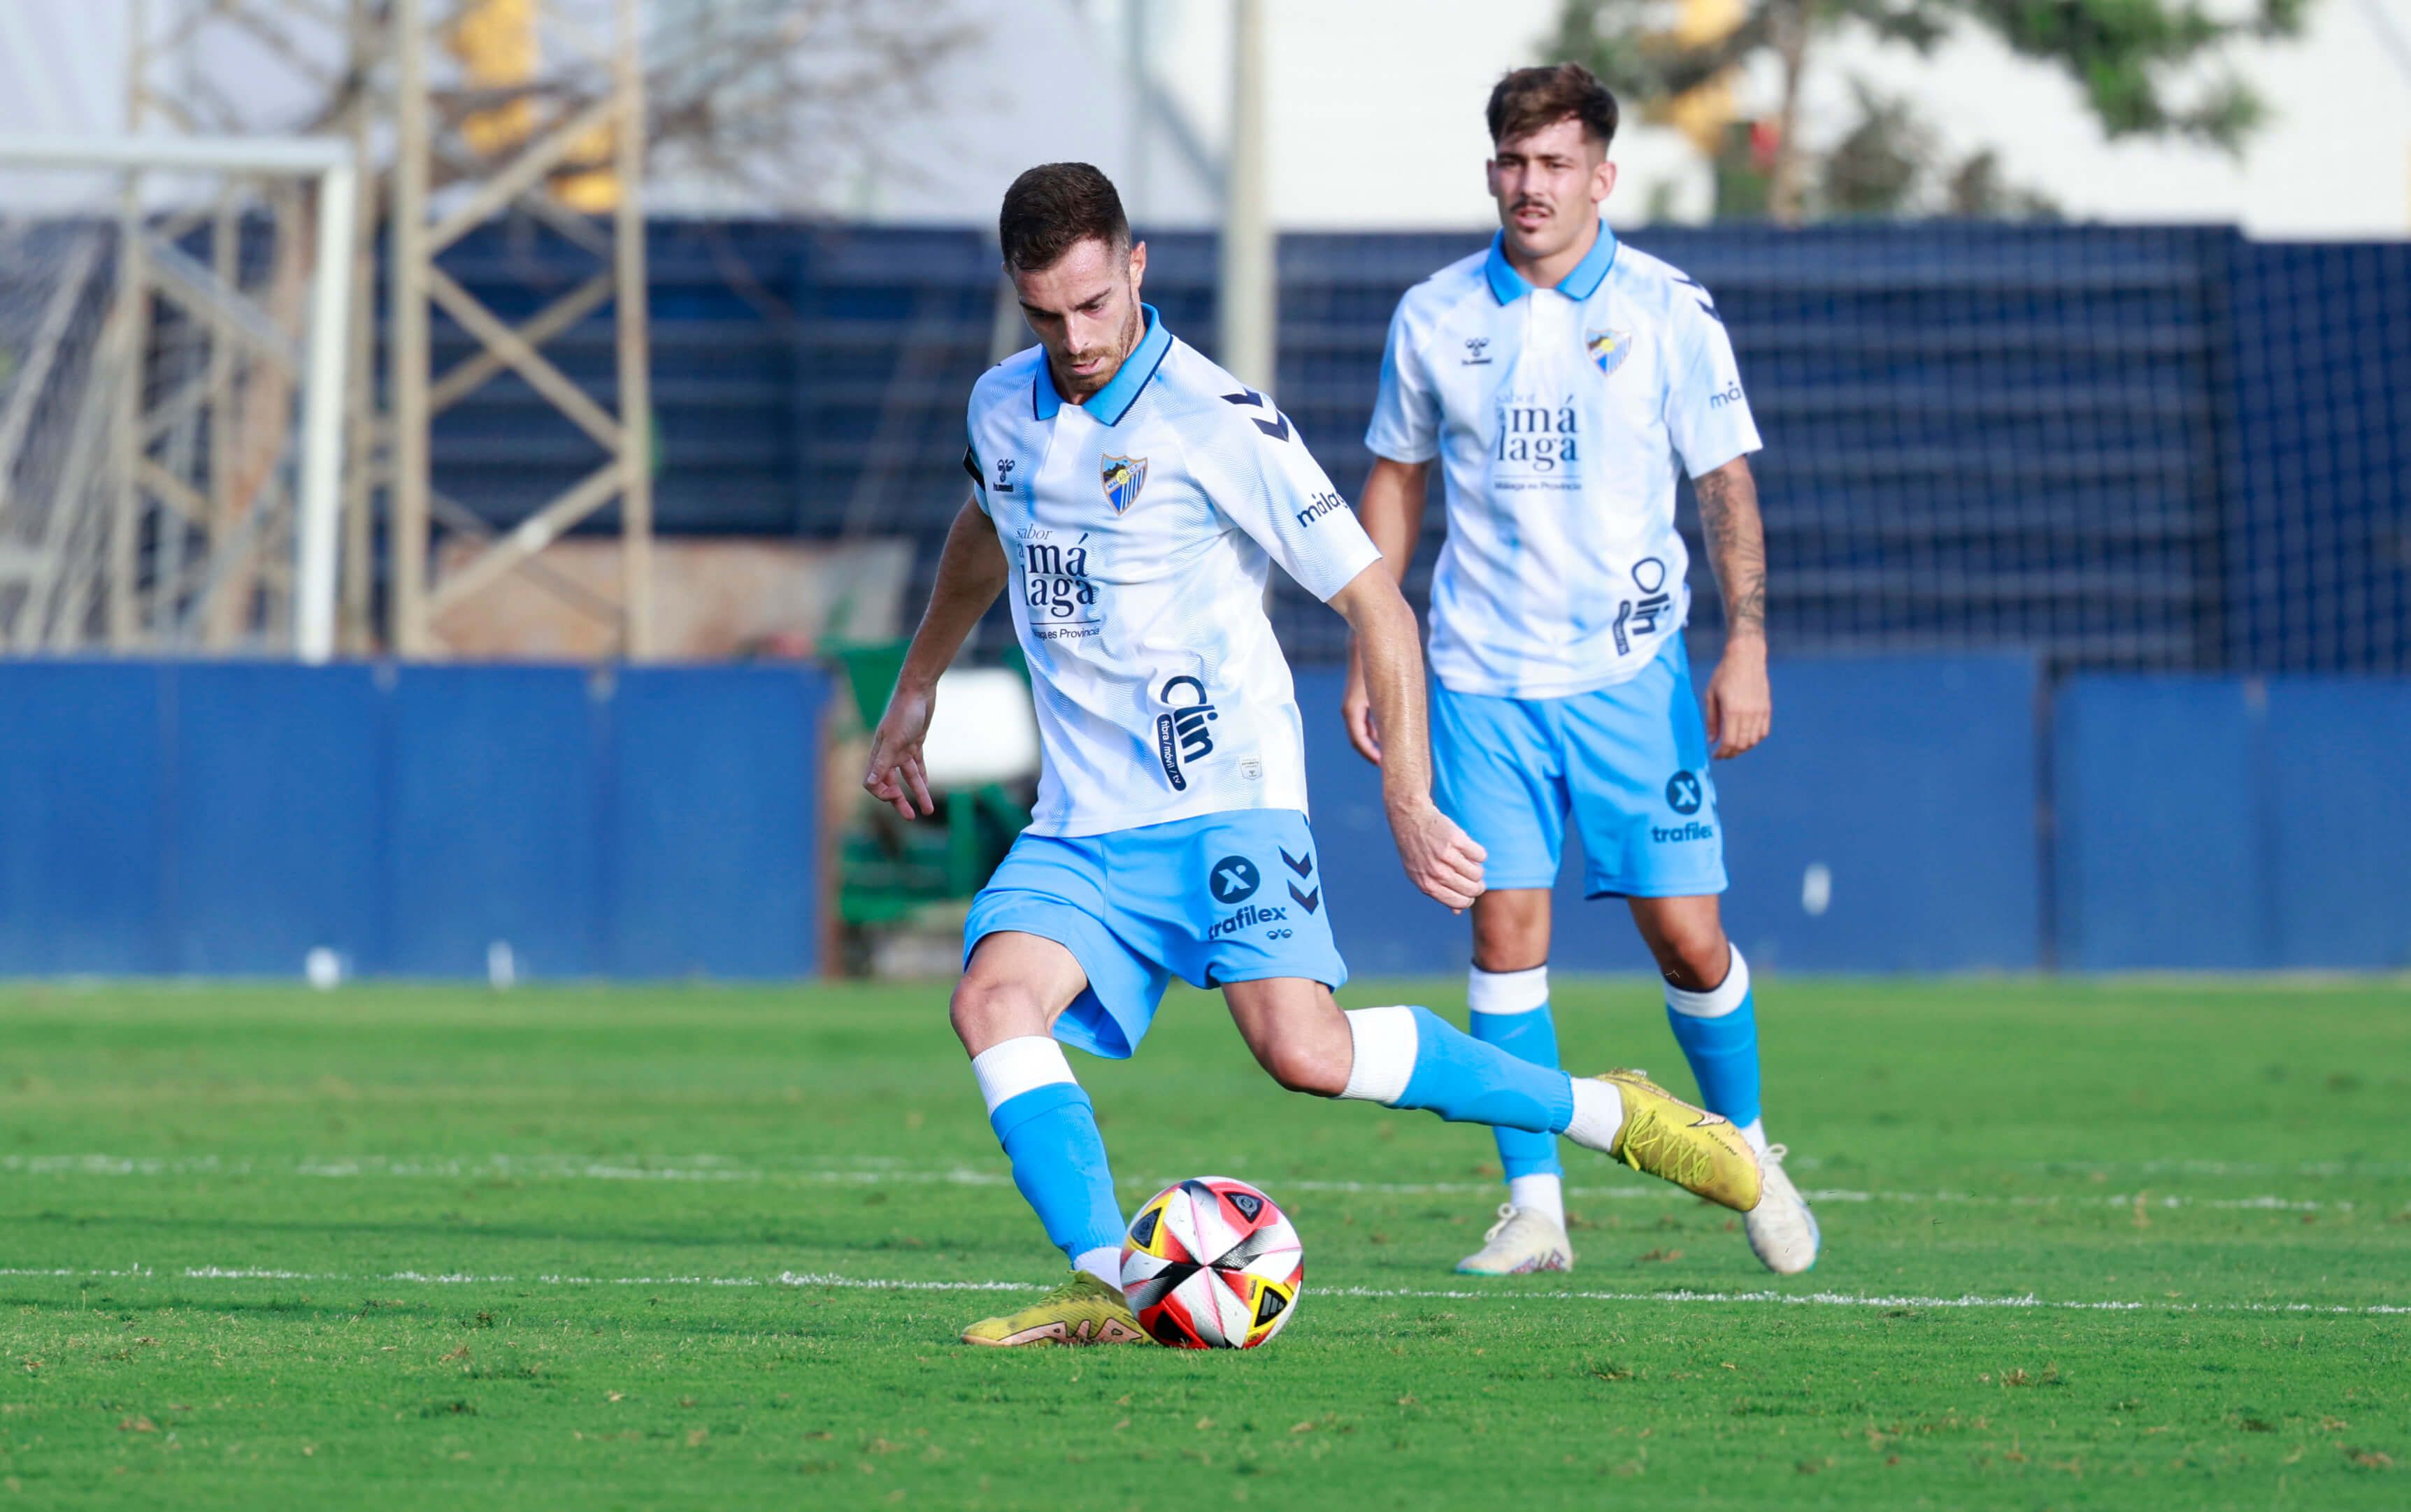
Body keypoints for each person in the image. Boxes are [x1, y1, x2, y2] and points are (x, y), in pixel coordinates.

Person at [862, 161, 1762, 1348]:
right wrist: (916, 683)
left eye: (1093, 305)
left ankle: (1607, 1111)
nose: (1074, 339)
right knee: (992, 999)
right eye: (1046, 314)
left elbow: (1378, 605)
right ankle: (1108, 1279)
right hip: (1084, 821)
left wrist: (1406, 793)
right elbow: (989, 524)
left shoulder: (1215, 422)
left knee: (1305, 1051)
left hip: (1229, 803)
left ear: (1134, 268)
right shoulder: (1001, 408)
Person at [1345, 64, 1819, 1278]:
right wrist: (1372, 640)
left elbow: (1724, 486)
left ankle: (1751, 1154)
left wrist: (1747, 643)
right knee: (1505, 932)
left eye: (1555, 165)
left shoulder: (1670, 309)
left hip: (1630, 676)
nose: (1529, 185)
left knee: (1685, 937)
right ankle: (1536, 1209)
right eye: (1511, 162)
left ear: (1603, 177)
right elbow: (1397, 479)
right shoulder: (1434, 314)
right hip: (1478, 678)